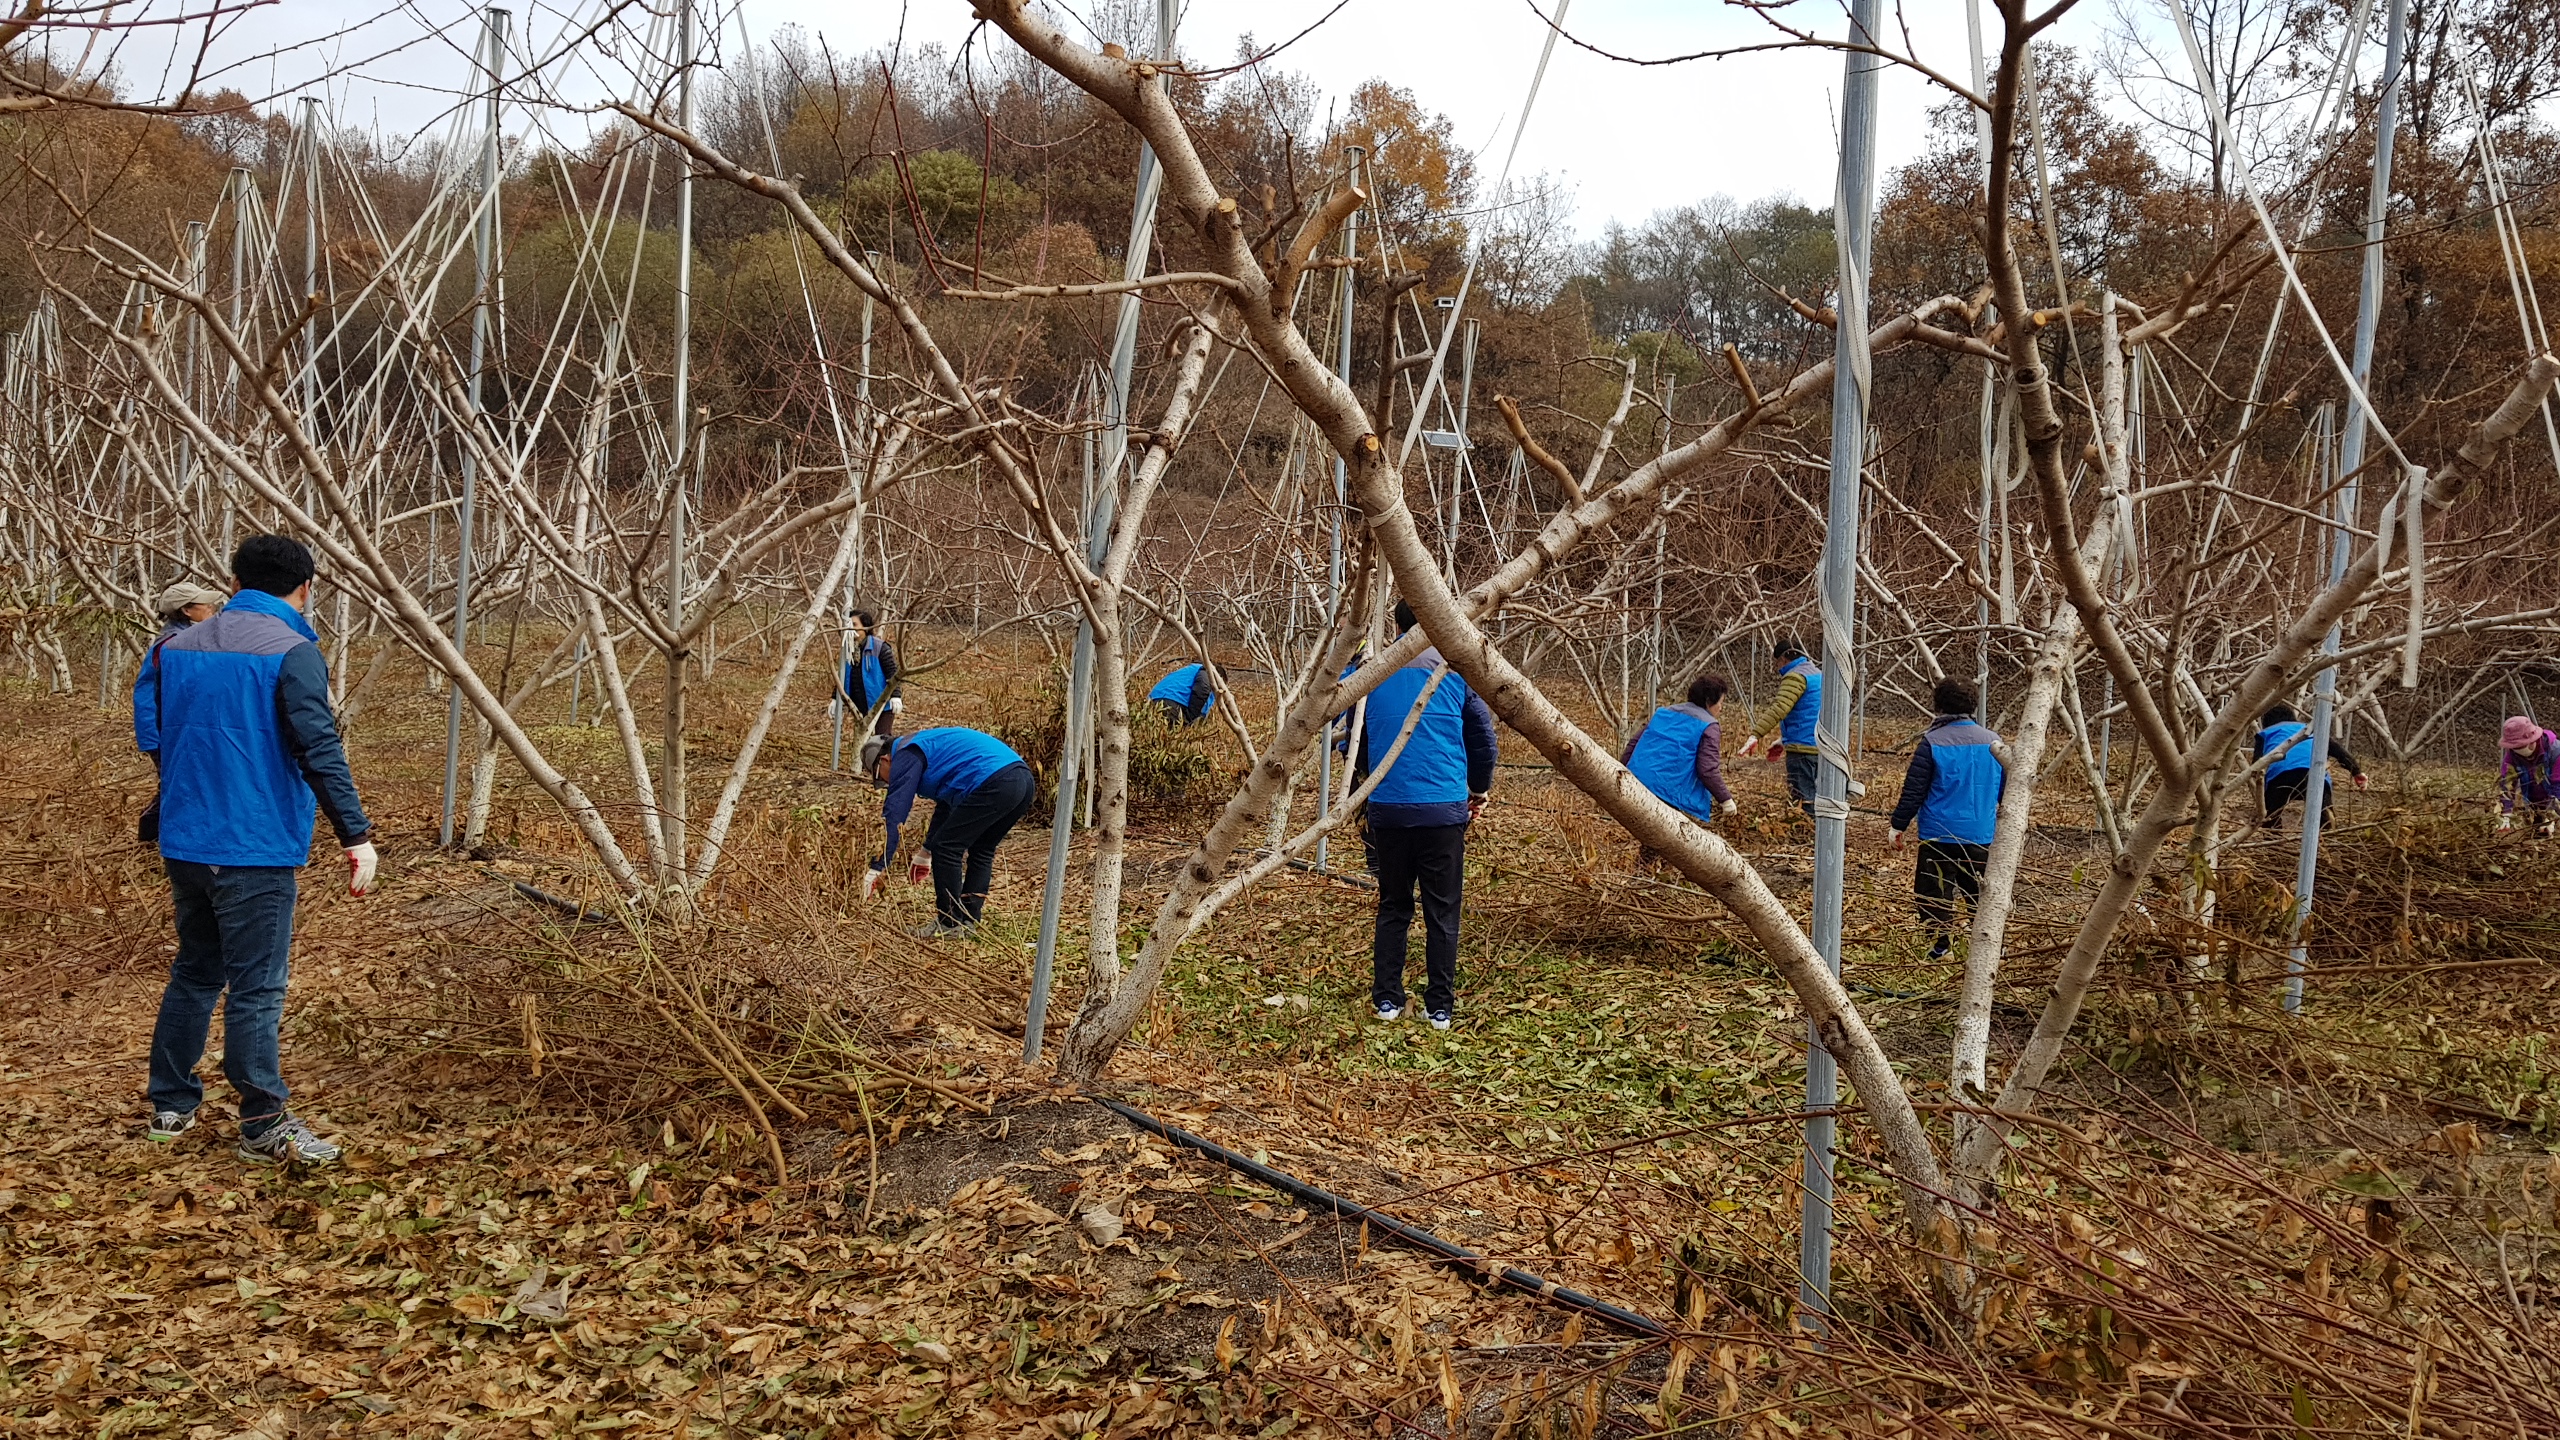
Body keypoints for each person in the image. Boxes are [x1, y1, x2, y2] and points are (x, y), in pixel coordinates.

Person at [137, 535, 375, 1166]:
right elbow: (318, 747)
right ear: (305, 586)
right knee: (257, 987)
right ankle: (264, 1124)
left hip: (186, 840)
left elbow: (157, 734)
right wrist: (355, 833)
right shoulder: (290, 650)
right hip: (253, 844)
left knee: (195, 969)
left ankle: (171, 1103)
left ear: (236, 578)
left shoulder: (176, 646)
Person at [1356, 600, 1498, 1031]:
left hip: (1388, 810)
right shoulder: (1455, 672)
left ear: (1395, 626)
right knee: (1442, 910)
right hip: (1443, 812)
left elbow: (1358, 742)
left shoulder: (1375, 672)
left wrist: (1367, 788)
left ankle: (1386, 1000)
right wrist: (1478, 790)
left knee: (1393, 904)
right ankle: (1440, 1007)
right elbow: (1483, 742)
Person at [860, 726, 1034, 938]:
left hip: (995, 780)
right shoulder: (928, 749)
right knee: (981, 848)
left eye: (881, 776)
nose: (887, 782)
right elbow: (946, 806)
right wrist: (925, 853)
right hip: (1021, 781)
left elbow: (896, 811)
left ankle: (949, 922)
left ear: (885, 760)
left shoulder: (906, 752)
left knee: (947, 848)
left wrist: (878, 866)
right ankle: (968, 921)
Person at [1888, 678, 2007, 962]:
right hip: (1980, 833)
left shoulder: (1932, 742)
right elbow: (2006, 789)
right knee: (1980, 891)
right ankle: (1992, 947)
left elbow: (1914, 789)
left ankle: (1940, 946)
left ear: (1938, 705)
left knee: (1934, 891)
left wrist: (1898, 825)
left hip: (1939, 835)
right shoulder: (1994, 743)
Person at [135, 582, 229, 845]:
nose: (212, 609)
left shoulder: (178, 641)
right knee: (178, 786)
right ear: (187, 611)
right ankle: (156, 839)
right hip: (164, 730)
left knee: (175, 783)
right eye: (205, 605)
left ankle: (153, 839)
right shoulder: (175, 646)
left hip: (166, 728)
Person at [1622, 672, 1737, 826]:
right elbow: (1707, 769)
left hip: (1636, 781)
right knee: (1663, 839)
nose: (1721, 708)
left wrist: (1621, 773)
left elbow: (1633, 744)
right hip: (1667, 791)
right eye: (1720, 702)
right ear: (1709, 701)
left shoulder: (1664, 713)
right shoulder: (1709, 726)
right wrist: (1725, 800)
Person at [2255, 703, 2366, 829]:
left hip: (2280, 776)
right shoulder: (2309, 730)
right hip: (2315, 773)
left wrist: (2259, 789)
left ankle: (2272, 842)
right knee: (2325, 817)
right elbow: (2337, 751)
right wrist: (2356, 771)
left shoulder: (2266, 733)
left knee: (2271, 817)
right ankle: (2325, 840)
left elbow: (2257, 764)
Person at [1743, 642, 1823, 815]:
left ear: (1783, 659)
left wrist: (1756, 734)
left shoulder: (1796, 676)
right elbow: (1810, 713)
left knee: (1803, 801)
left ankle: (1807, 838)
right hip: (1821, 746)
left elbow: (1779, 707)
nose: (1777, 667)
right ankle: (1824, 837)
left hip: (1802, 750)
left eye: (1777, 663)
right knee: (1820, 798)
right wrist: (1783, 740)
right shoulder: (1818, 675)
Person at [841, 609, 902, 739]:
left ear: (866, 627)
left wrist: (896, 695)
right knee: (863, 743)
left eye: (855, 625)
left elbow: (892, 673)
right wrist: (836, 699)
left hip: (881, 706)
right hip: (859, 707)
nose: (851, 629)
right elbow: (842, 675)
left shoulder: (879, 648)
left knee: (881, 742)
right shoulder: (847, 650)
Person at [2497, 715, 2559, 836]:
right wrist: (2506, 813)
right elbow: (2507, 784)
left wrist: (2550, 817)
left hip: (2555, 801)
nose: (2517, 750)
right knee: (2537, 839)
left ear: (2532, 740)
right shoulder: (2512, 756)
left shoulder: (2556, 753)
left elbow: (2558, 788)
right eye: (2514, 747)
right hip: (2534, 804)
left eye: (2520, 746)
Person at [1148, 662, 1217, 726]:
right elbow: (1202, 689)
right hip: (1172, 702)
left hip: (1153, 700)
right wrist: (1191, 717)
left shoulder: (1190, 671)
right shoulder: (1207, 672)